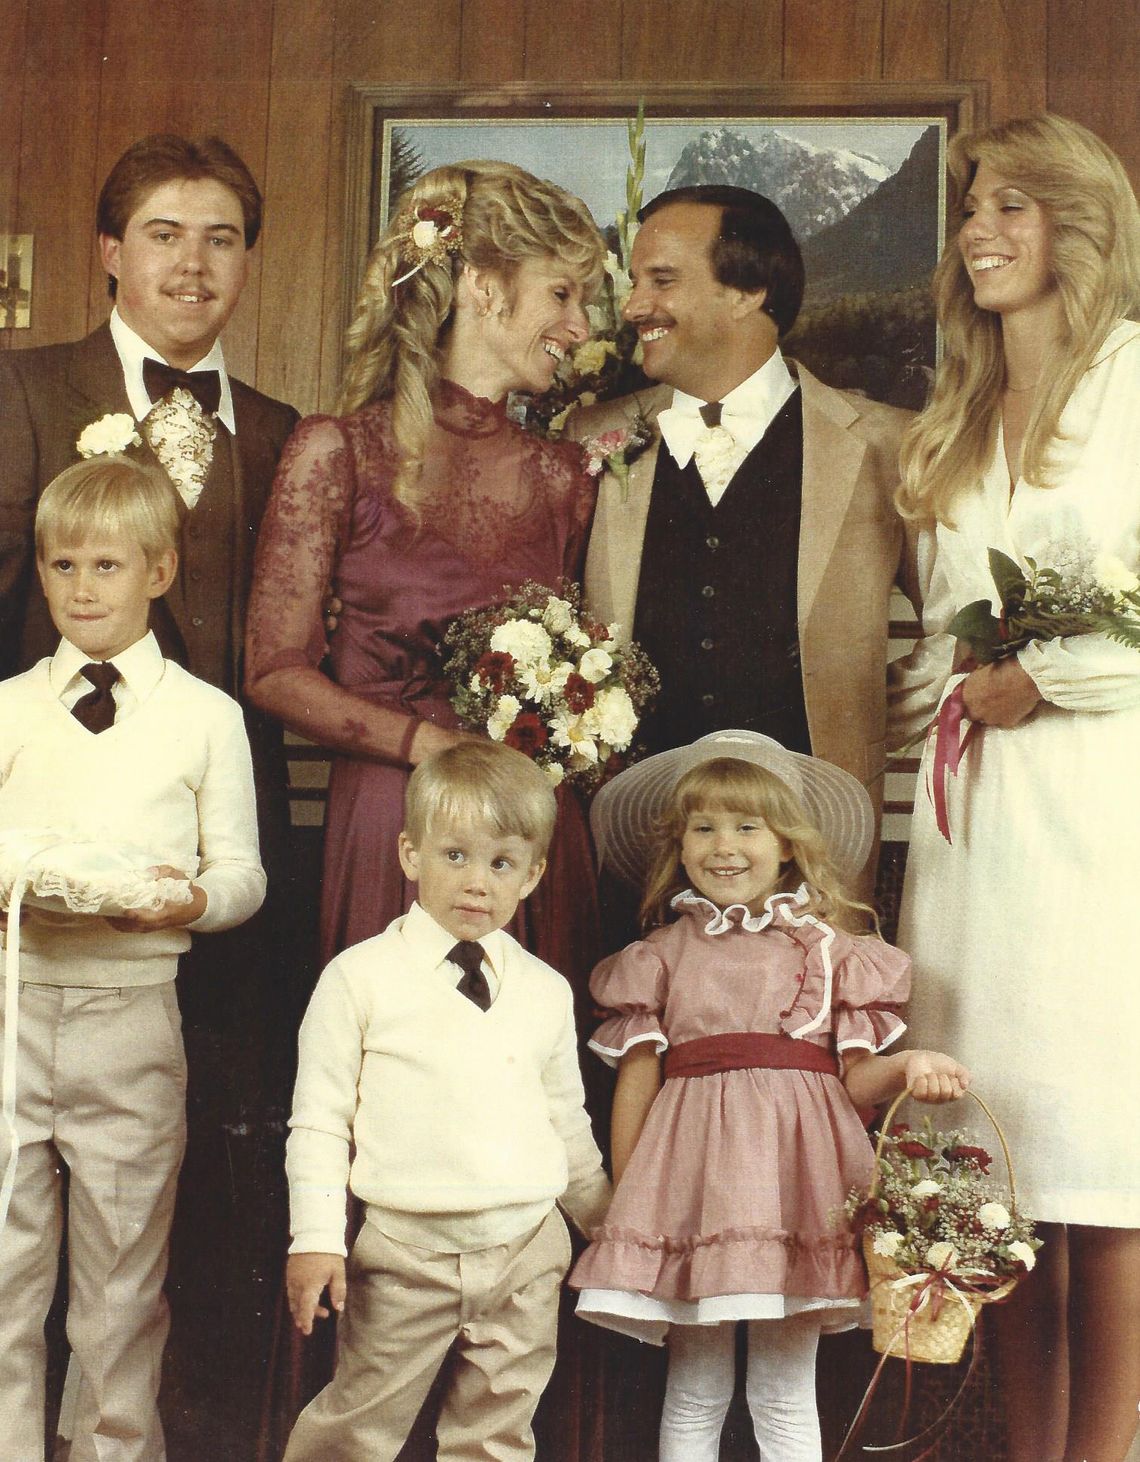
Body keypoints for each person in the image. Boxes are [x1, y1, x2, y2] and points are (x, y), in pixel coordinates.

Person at [891, 113, 1140, 1462]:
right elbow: (941, 639)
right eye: (973, 206)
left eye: (1015, 207)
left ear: (1081, 229)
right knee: (995, 1175)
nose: (982, 228)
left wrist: (1050, 680)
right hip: (976, 837)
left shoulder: (1139, 383)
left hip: (1104, 820)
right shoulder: (963, 417)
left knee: (1107, 1165)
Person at [244, 159, 605, 977]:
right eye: (562, 294)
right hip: (397, 817)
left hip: (529, 827)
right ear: (482, 286)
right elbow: (272, 671)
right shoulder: (340, 451)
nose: (580, 327)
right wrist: (426, 746)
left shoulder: (563, 477)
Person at [567, 730, 967, 1461]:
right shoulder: (657, 956)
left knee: (783, 1388)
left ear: (787, 844)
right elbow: (637, 1084)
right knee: (695, 1385)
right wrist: (629, 1198)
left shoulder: (830, 950)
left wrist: (911, 1064)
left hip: (799, 1185)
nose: (726, 845)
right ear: (679, 845)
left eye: (748, 826)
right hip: (694, 1186)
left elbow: (855, 1083)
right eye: (705, 827)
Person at [0, 455, 265, 1462]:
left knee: (118, 1284)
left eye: (106, 564)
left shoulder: (205, 717)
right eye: (61, 563)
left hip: (132, 1019)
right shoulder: (8, 709)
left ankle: (114, 1450)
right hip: (12, 1013)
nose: (81, 587)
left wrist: (185, 898)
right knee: (5, 1274)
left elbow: (241, 875)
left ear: (159, 569)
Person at [567, 185, 916, 897]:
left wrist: (868, 719)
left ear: (748, 291)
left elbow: (956, 631)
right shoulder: (589, 437)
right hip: (634, 856)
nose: (634, 307)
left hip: (812, 854)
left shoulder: (886, 444)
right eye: (635, 282)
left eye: (662, 280)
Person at [280, 739, 610, 1461]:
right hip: (406, 1251)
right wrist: (315, 1238)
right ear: (409, 854)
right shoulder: (359, 979)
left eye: (501, 863)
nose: (475, 883)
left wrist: (609, 1226)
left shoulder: (545, 990)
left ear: (533, 875)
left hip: (526, 1247)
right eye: (453, 855)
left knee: (494, 1434)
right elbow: (319, 1122)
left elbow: (567, 1121)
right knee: (356, 1429)